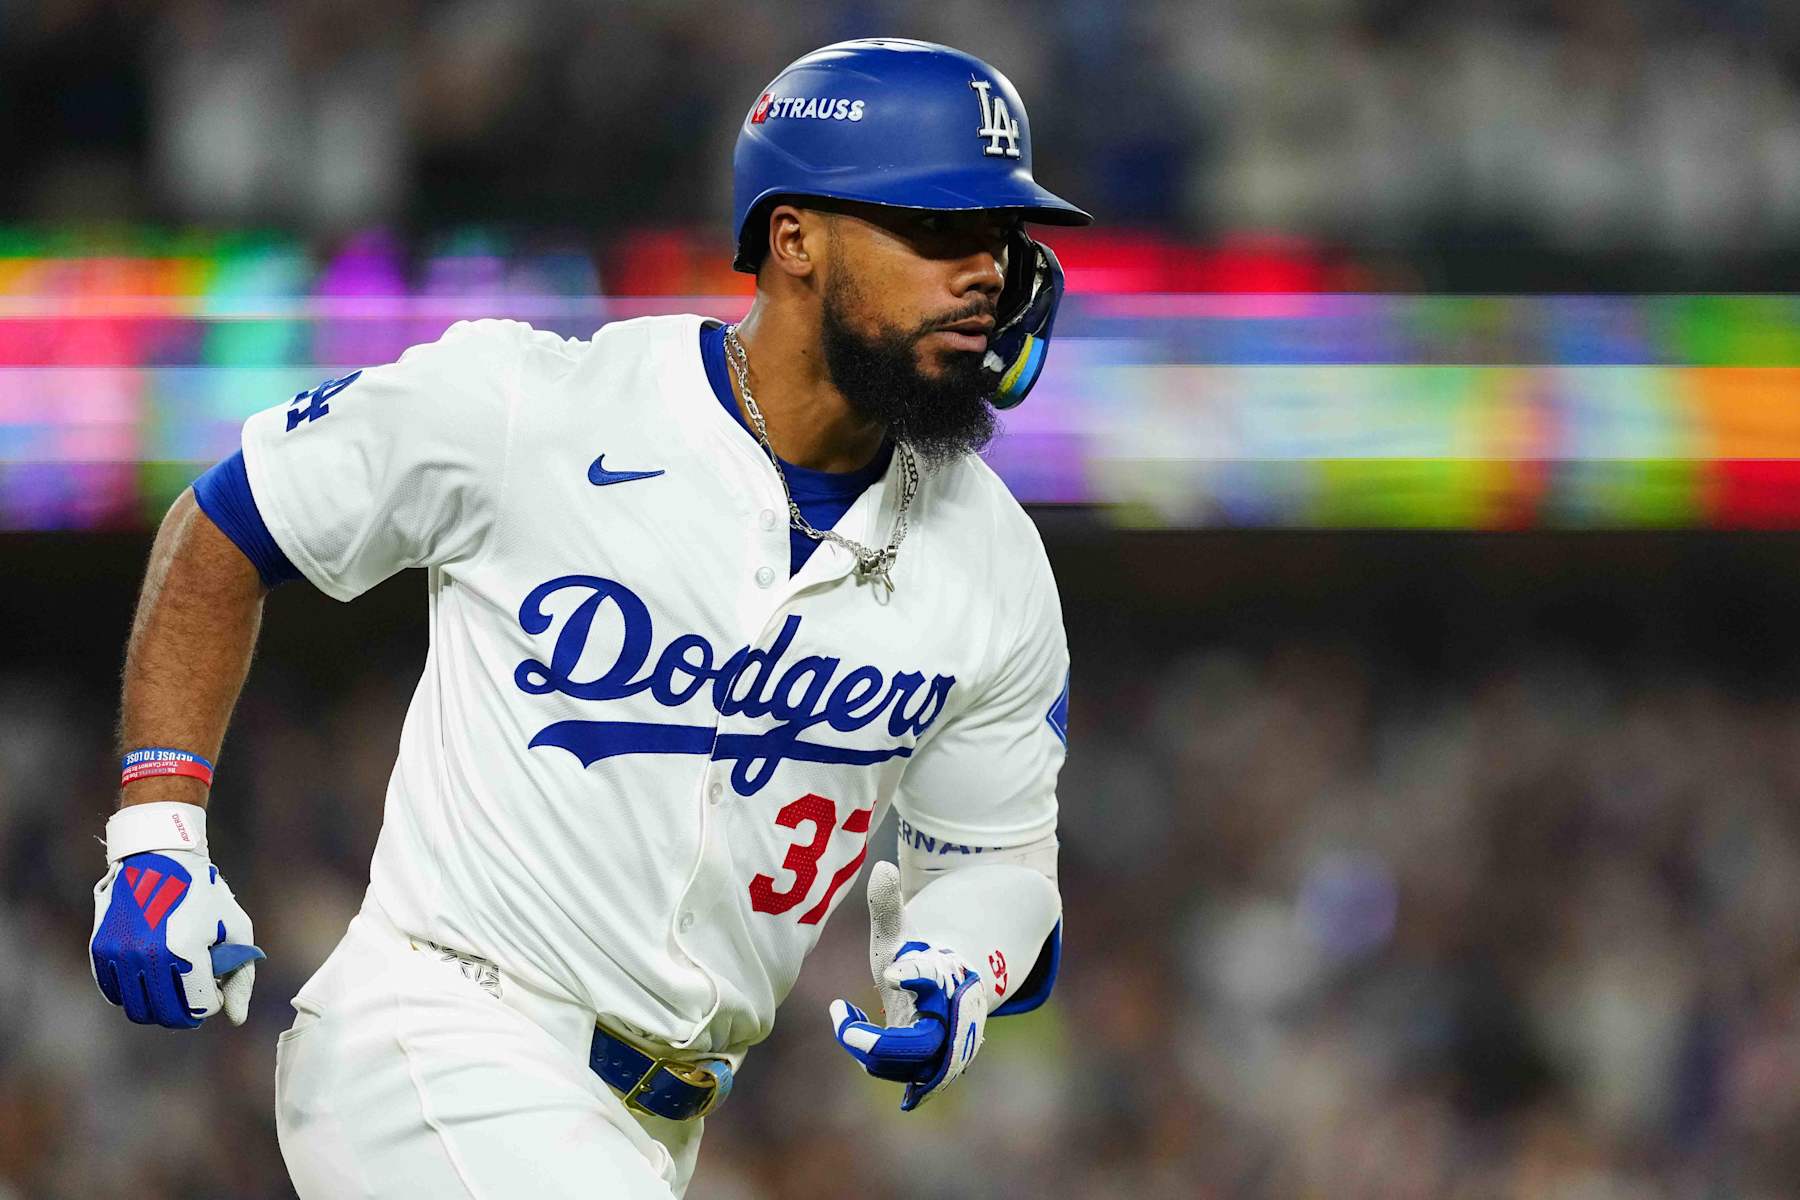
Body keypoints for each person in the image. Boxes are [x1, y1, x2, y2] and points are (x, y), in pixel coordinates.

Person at [87, 37, 1089, 1197]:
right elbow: (228, 523)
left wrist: (961, 962)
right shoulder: (542, 407)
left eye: (1000, 235)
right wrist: (158, 831)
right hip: (439, 1040)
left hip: (659, 1124)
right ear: (794, 239)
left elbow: (995, 858)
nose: (985, 273)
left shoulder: (993, 558)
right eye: (937, 227)